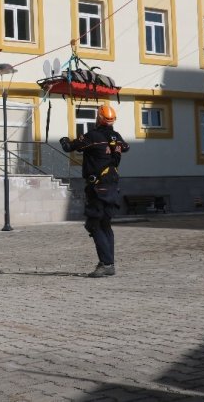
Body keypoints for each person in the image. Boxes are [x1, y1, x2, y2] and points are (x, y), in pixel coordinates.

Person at [60, 104, 130, 278]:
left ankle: (106, 264)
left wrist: (64, 140)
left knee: (94, 224)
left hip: (98, 187)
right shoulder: (117, 137)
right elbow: (125, 147)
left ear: (99, 118)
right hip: (112, 184)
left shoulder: (93, 136)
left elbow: (70, 147)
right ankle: (109, 263)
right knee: (105, 224)